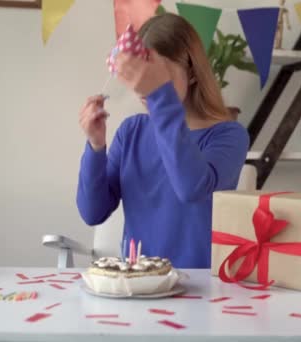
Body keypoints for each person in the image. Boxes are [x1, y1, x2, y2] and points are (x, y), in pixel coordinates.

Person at [76, 13, 249, 268]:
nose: (143, 88)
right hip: (139, 285)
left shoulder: (229, 136)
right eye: (141, 76)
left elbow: (191, 188)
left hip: (201, 291)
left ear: (191, 73)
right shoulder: (131, 132)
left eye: (157, 77)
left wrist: (160, 97)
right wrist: (95, 145)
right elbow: (93, 212)